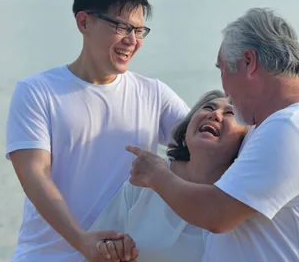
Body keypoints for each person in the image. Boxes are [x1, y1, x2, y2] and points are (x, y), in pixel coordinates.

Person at [125, 8, 299, 262]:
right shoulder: (288, 125)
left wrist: (156, 174)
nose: (225, 89)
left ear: (249, 62)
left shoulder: (289, 129)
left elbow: (216, 213)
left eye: (223, 70)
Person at [5, 0, 190, 262]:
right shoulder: (37, 91)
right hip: (45, 256)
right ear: (84, 22)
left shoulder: (154, 93)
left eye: (139, 31)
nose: (132, 41)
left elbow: (203, 146)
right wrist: (81, 241)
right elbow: (34, 175)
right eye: (121, 27)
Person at [89, 90, 249, 262]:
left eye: (230, 113)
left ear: (247, 140)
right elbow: (96, 246)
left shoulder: (244, 197)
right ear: (186, 129)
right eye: (208, 107)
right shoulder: (144, 183)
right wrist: (110, 250)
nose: (215, 115)